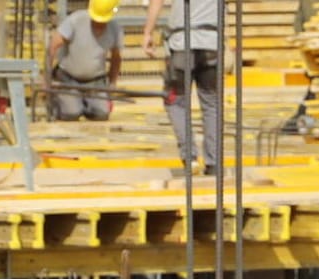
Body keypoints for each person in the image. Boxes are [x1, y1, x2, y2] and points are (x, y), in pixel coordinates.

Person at [142, 0, 220, 174]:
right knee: (211, 103)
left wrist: (148, 32)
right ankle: (214, 163)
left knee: (175, 101)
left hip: (182, 43)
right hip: (211, 43)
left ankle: (189, 157)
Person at [46, 0, 123, 122]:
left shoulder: (115, 29)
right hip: (68, 80)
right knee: (71, 114)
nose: (99, 23)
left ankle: (86, 103)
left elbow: (116, 59)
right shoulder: (75, 21)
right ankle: (60, 101)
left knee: (101, 114)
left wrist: (112, 84)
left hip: (95, 82)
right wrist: (47, 78)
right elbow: (53, 47)